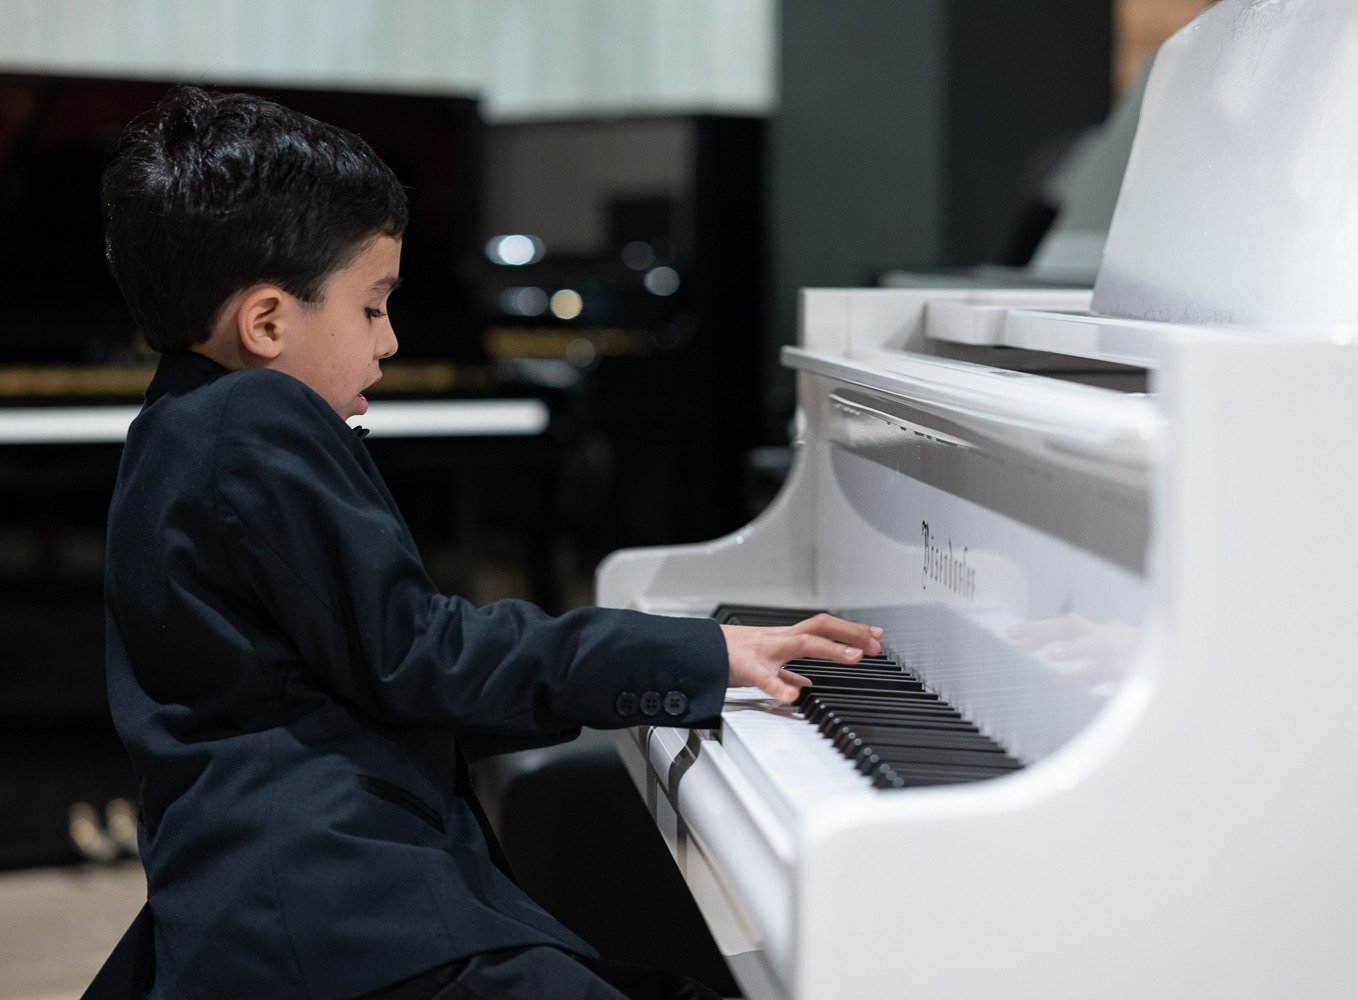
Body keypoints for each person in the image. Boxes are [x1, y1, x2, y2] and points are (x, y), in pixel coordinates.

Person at [94, 85, 882, 1000]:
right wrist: (700, 652)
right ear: (268, 322)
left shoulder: (175, 424)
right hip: (339, 918)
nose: (389, 340)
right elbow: (422, 654)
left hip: (282, 898)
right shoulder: (257, 417)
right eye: (372, 307)